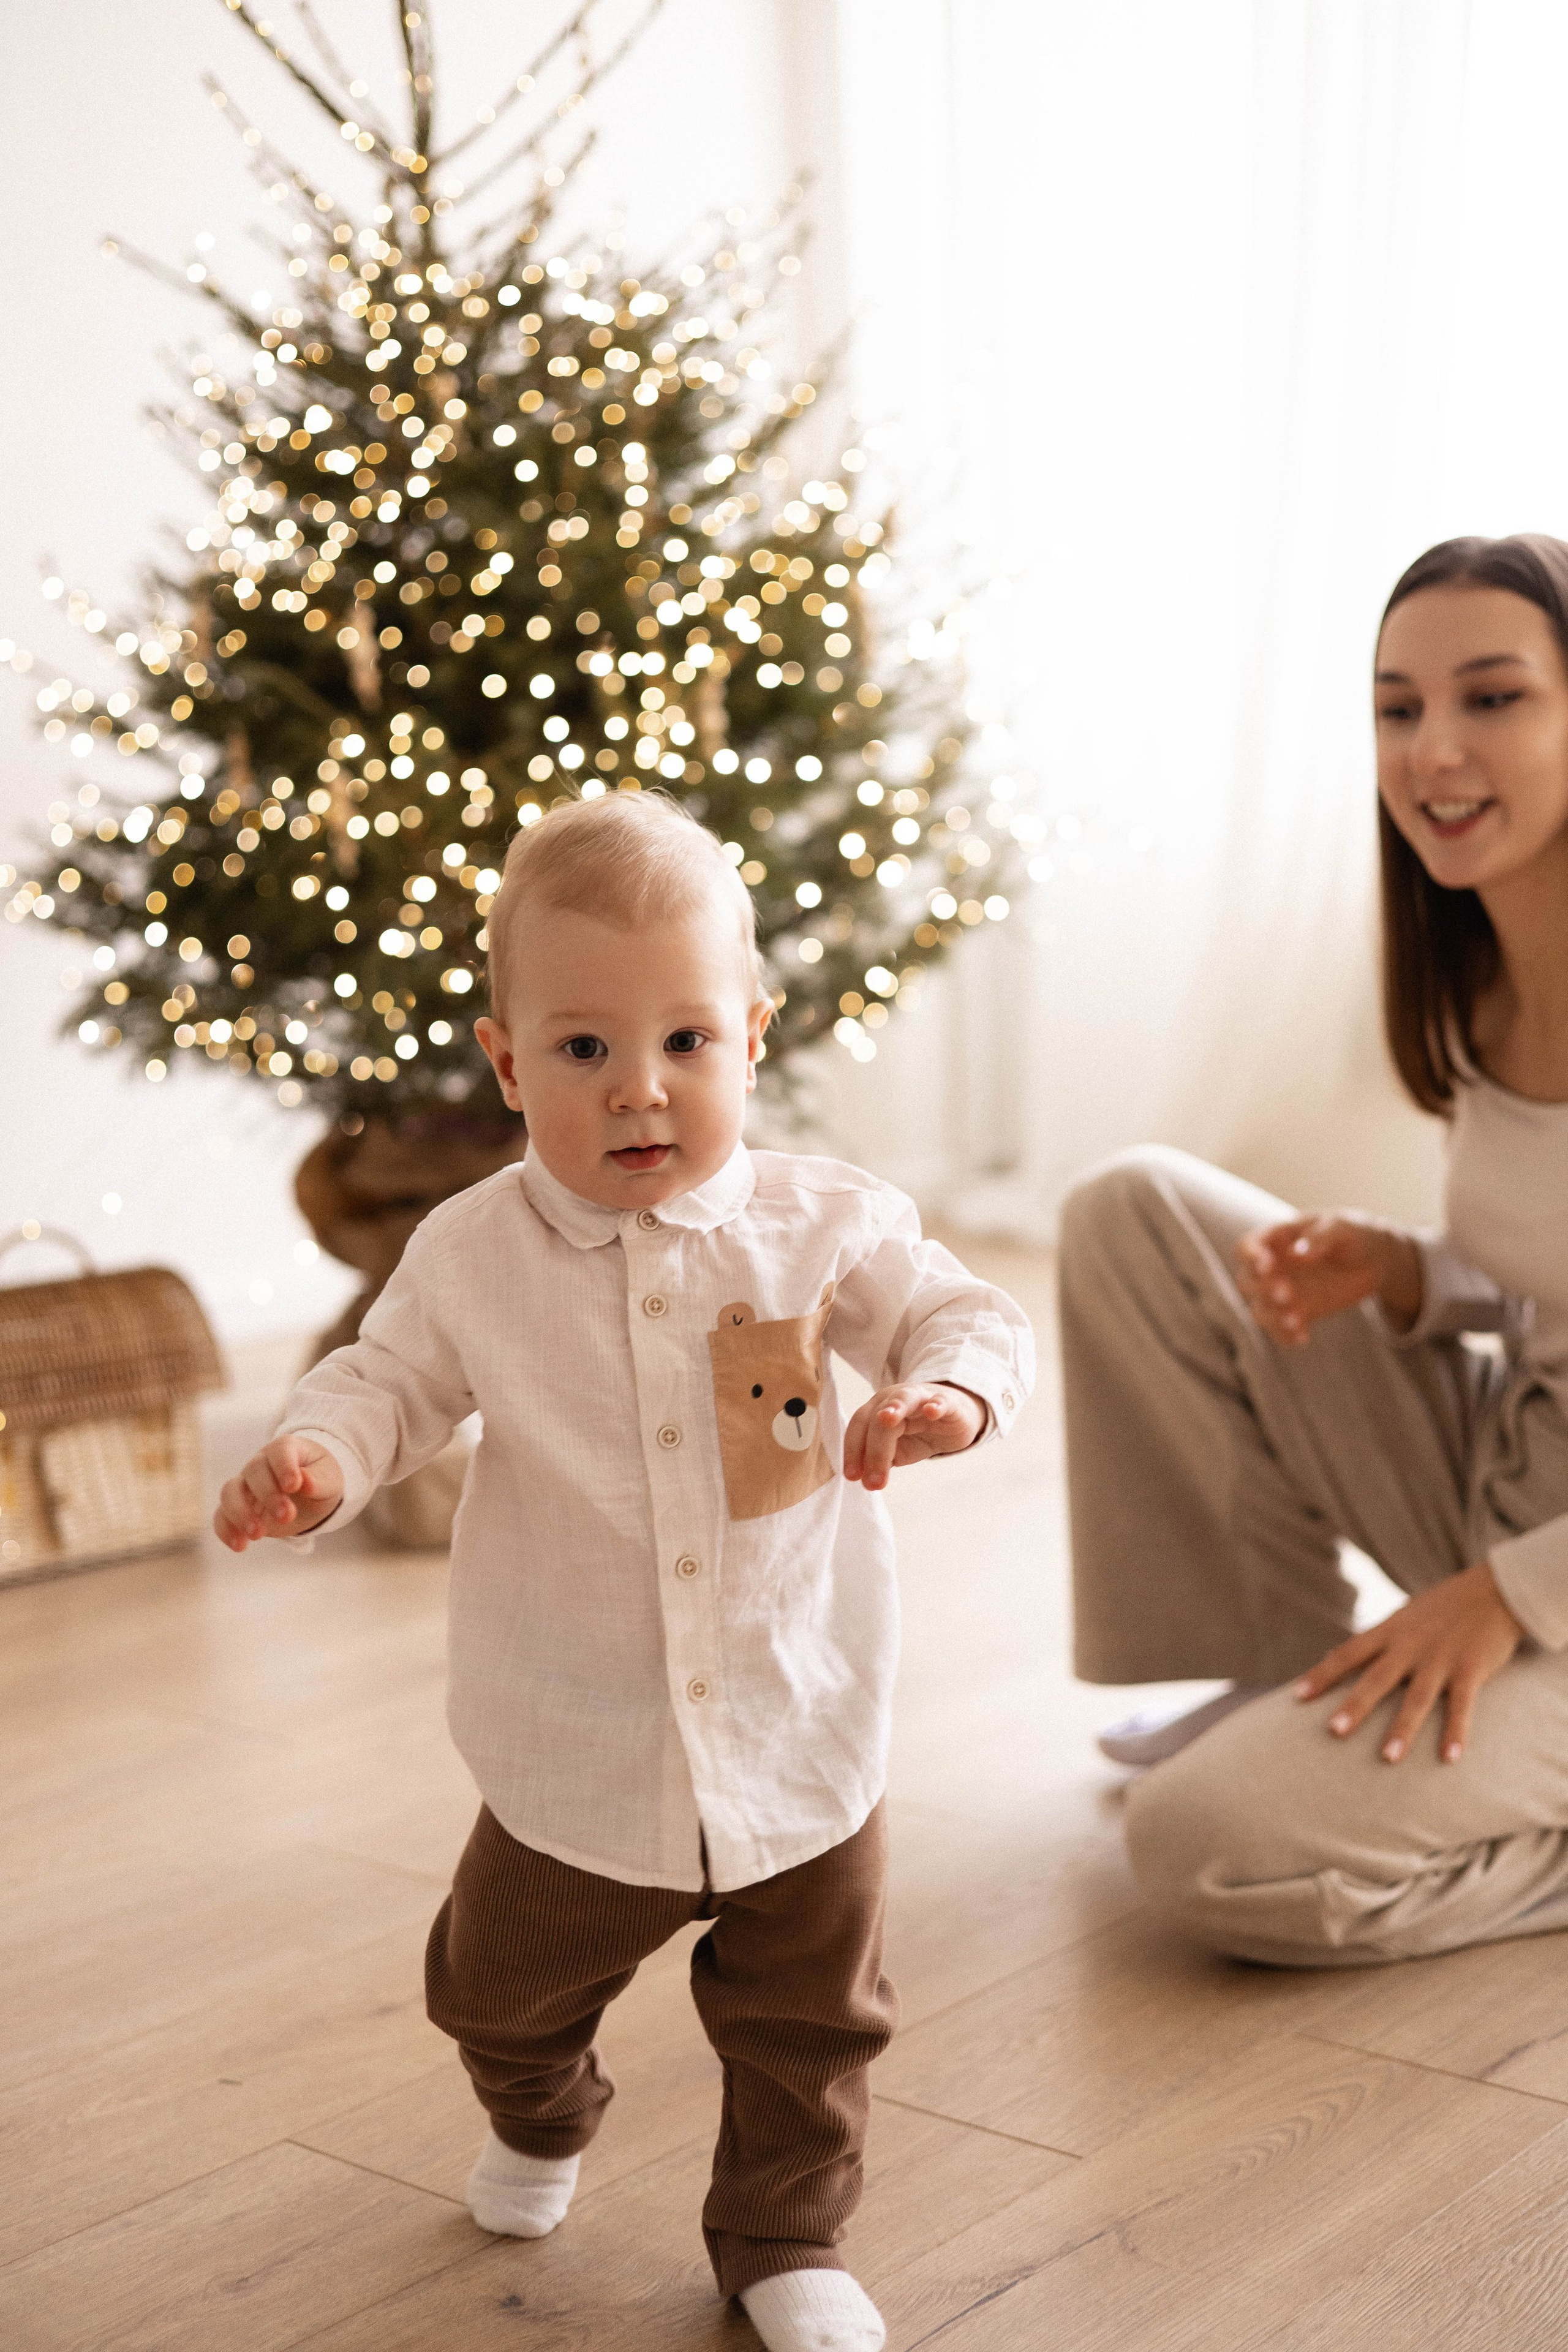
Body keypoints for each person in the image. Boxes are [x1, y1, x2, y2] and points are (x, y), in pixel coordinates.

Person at [214, 790, 1032, 2352]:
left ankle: (784, 2237)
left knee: (812, 2023)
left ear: (750, 1035)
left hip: (799, 1732)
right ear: (512, 1062)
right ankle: (542, 2117)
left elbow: (961, 1313)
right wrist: (317, 1461)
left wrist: (950, 1396)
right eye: (583, 1050)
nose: (638, 1090)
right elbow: (382, 1384)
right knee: (489, 1993)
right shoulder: (470, 1253)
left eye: (685, 1043)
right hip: (574, 1745)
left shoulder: (824, 1227)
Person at [1059, 532, 1568, 1968]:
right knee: (1136, 1209)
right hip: (1506, 1487)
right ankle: (1271, 1654)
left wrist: (1509, 1599)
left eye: (1491, 698)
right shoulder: (1478, 978)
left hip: (1545, 1581)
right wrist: (1414, 1272)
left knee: (1200, 1850)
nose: (1432, 750)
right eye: (1396, 707)